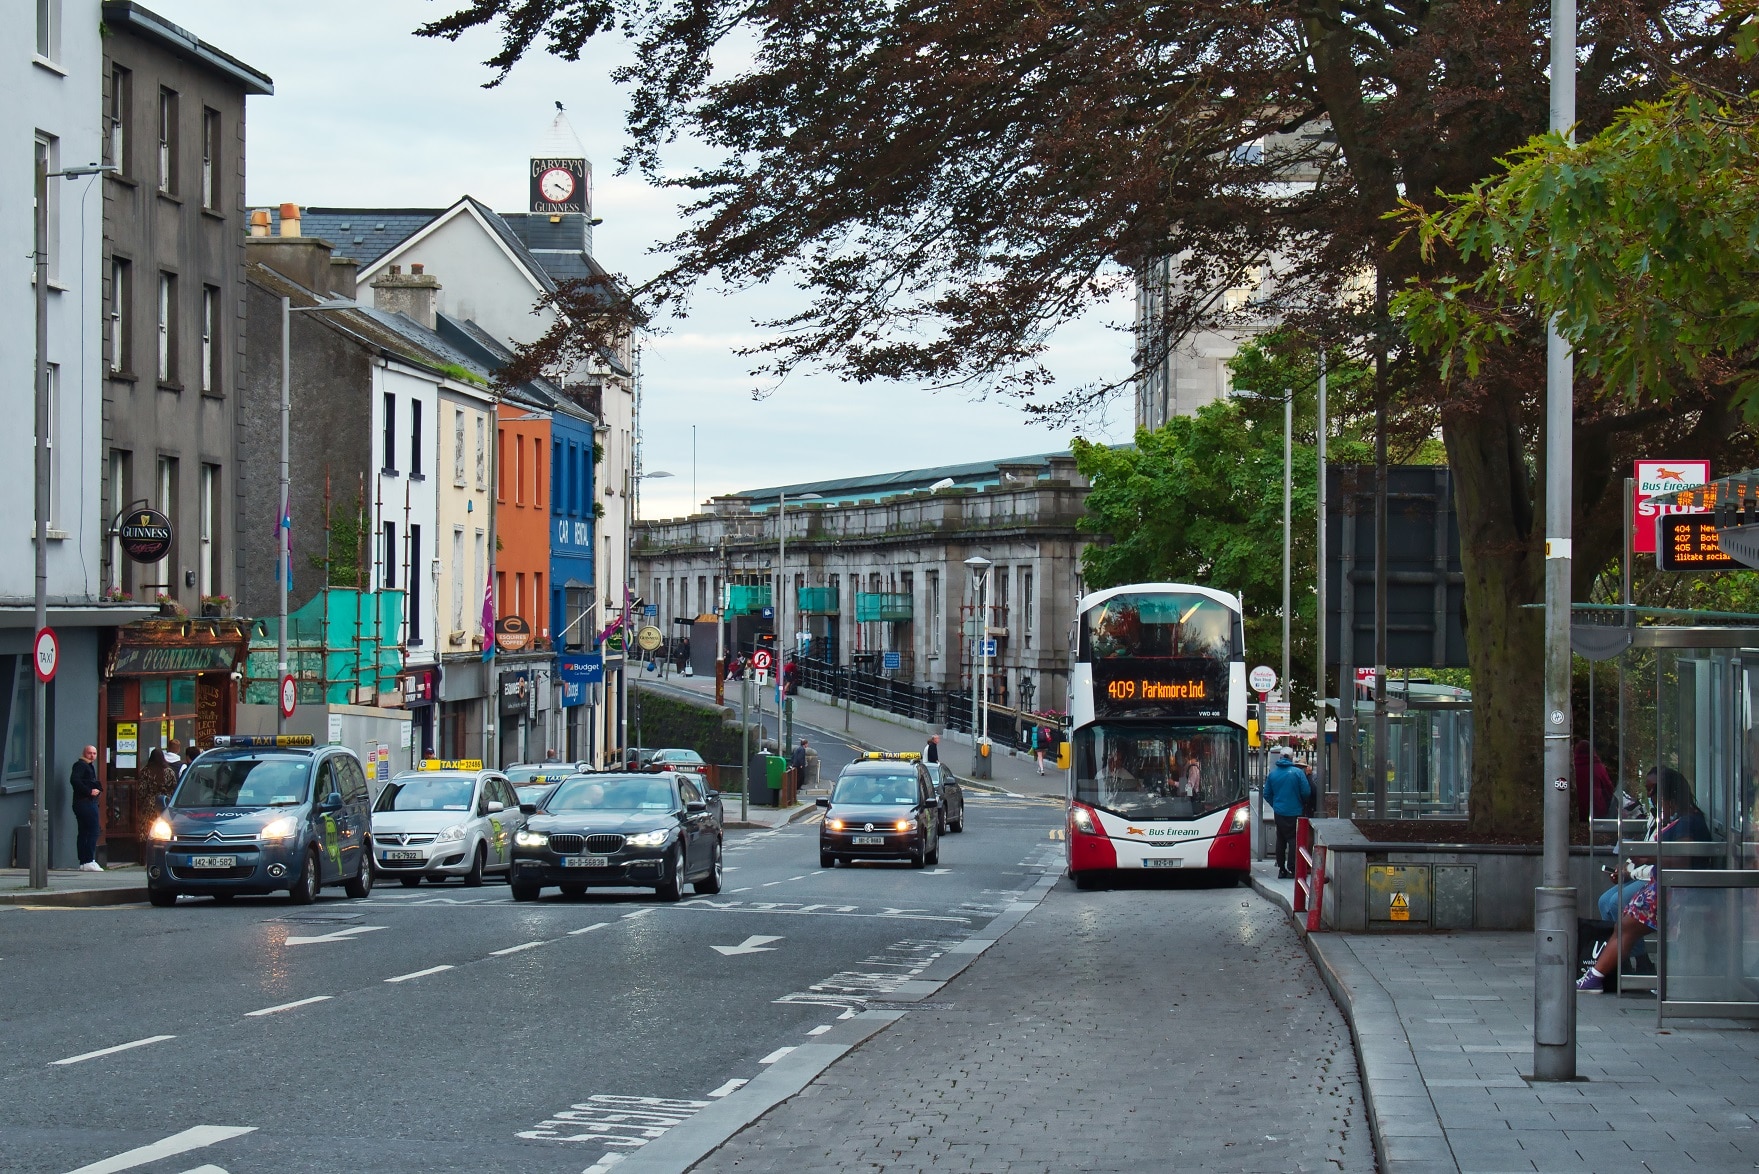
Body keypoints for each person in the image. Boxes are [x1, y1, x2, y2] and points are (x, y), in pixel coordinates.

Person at [1578, 767, 1712, 991]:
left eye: (1655, 795)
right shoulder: (1675, 820)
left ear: (1670, 796)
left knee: (1626, 923)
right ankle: (1602, 974)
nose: (1652, 801)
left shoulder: (1688, 823)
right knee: (1624, 924)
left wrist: (1646, 858)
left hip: (1674, 890)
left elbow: (1682, 859)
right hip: (1662, 885)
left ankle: (1600, 975)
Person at [1262, 749, 1312, 879]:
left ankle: (1281, 869)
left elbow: (1266, 794)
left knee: (1281, 839)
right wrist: (1301, 802)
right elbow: (1306, 792)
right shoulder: (1298, 773)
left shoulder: (1273, 774)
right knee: (1293, 840)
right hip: (1295, 811)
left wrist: (1276, 805)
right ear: (1291, 758)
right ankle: (1292, 867)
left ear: (1280, 757)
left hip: (1279, 812)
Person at [136, 748, 179, 843]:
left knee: (148, 829)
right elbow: (174, 788)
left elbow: (141, 790)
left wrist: (141, 803)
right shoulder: (169, 771)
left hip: (150, 803)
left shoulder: (146, 771)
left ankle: (146, 852)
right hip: (165, 803)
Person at [70, 745, 102, 871]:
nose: (92, 755)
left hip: (83, 802)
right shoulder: (81, 765)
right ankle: (89, 859)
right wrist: (89, 791)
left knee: (84, 832)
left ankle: (84, 861)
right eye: (90, 753)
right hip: (86, 802)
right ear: (84, 753)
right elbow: (74, 780)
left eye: (94, 753)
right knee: (93, 830)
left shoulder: (88, 766)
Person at [1573, 739, 1615, 822]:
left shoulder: (1571, 767)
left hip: (1576, 811)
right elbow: (1609, 788)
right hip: (1596, 811)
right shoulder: (1597, 767)